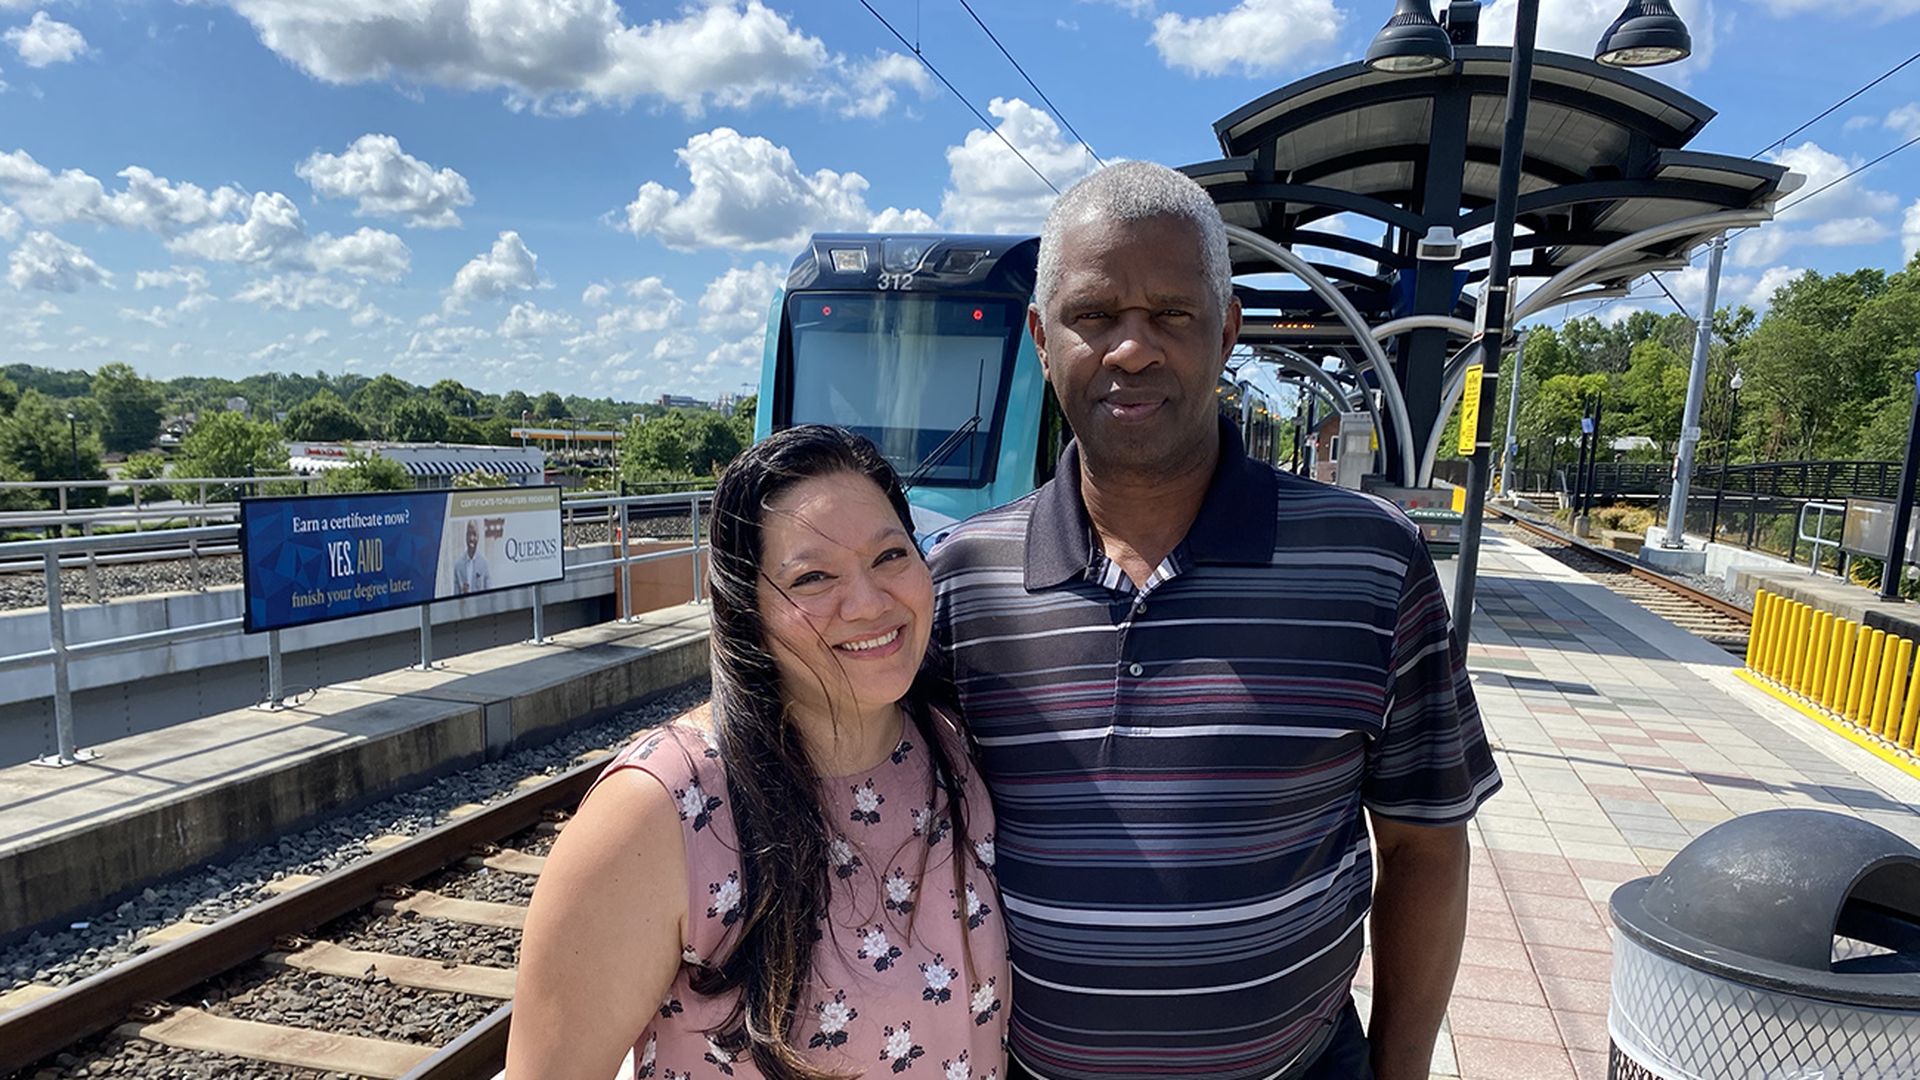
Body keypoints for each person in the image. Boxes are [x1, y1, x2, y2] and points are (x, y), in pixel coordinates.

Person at [928, 162, 1501, 1080]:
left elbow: (1425, 842)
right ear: (1042, 337)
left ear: (1228, 329)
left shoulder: (1370, 564)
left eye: (1172, 314)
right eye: (1096, 315)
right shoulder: (959, 582)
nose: (1132, 349)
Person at [509, 425, 1008, 1080]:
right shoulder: (659, 811)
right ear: (747, 611)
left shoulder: (955, 750)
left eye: (890, 556)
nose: (866, 602)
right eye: (813, 577)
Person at [453, 520, 489, 594]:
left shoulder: (484, 564)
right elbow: (455, 598)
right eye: (469, 534)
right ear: (465, 536)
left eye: (474, 534)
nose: (471, 538)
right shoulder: (458, 566)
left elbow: (489, 596)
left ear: (478, 537)